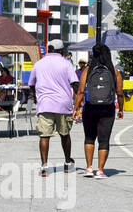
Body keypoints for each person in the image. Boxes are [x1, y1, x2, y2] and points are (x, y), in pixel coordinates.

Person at [73, 42, 123, 178]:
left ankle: (89, 168)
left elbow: (81, 91)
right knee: (104, 139)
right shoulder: (114, 71)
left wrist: (76, 108)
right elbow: (119, 93)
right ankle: (100, 170)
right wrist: (121, 109)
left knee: (89, 138)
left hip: (90, 107)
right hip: (107, 108)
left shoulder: (88, 70)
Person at [32, 40, 79, 176]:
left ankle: (44, 166)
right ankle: (67, 163)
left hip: (45, 104)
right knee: (65, 134)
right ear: (61, 51)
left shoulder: (39, 64)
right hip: (63, 105)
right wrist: (78, 102)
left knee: (44, 136)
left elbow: (31, 83)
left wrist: (36, 98)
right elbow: (75, 83)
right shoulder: (66, 63)